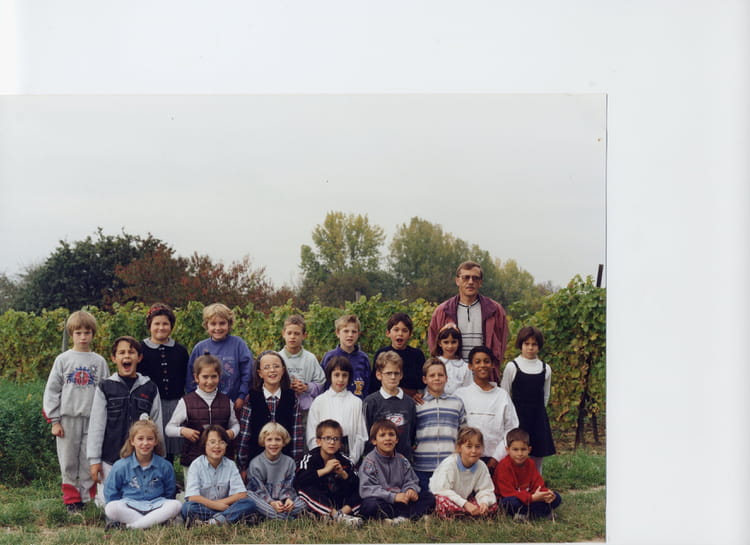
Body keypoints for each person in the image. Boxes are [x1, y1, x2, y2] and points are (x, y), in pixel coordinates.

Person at [42, 310, 109, 512]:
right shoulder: (63, 360)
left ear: (93, 334)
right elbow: (52, 390)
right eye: (78, 333)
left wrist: (105, 418)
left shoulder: (99, 361)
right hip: (67, 418)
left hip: (92, 419)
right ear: (71, 334)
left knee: (89, 457)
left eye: (87, 333)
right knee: (68, 459)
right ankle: (71, 499)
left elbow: (106, 390)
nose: (83, 337)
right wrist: (54, 420)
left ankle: (88, 496)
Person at [88, 336, 162, 506]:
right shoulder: (105, 387)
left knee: (139, 502)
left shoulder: (149, 387)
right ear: (114, 358)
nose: (126, 356)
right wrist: (94, 460)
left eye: (131, 352)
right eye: (121, 353)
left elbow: (157, 423)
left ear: (139, 357)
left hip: (140, 459)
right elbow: (96, 425)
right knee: (107, 505)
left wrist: (159, 457)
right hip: (110, 458)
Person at [428, 261, 509, 381]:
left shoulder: (495, 310)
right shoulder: (443, 311)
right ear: (457, 281)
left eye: (475, 278)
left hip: (484, 377)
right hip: (452, 378)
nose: (470, 282)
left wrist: (493, 368)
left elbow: (501, 343)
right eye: (466, 277)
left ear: (480, 282)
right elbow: (434, 344)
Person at [165, 354, 239, 481]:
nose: (209, 381)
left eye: (213, 376)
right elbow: (169, 428)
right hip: (193, 459)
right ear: (196, 377)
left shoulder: (226, 401)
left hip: (221, 460)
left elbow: (235, 424)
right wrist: (183, 431)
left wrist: (232, 432)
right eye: (205, 377)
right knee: (195, 491)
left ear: (219, 377)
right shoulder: (186, 401)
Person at [102, 418, 181, 529]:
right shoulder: (121, 466)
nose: (145, 443)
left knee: (176, 505)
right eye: (140, 439)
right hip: (130, 507)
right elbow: (111, 492)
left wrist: (162, 508)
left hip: (156, 506)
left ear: (155, 441)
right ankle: (152, 523)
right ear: (132, 441)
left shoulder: (165, 465)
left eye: (150, 439)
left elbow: (170, 492)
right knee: (111, 508)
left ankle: (132, 527)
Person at [236, 350, 304, 473]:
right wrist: (243, 466)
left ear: (283, 370)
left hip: (285, 465)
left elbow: (297, 434)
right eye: (266, 367)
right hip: (256, 463)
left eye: (276, 366)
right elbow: (245, 434)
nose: (272, 370)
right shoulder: (251, 398)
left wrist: (296, 464)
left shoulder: (292, 397)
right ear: (260, 373)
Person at [453, 346, 518, 474]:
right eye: (477, 362)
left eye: (486, 361)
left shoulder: (502, 396)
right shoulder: (460, 395)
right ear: (470, 366)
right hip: (466, 460)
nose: (482, 365)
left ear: (492, 364)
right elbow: (454, 427)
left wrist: (496, 458)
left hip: (495, 461)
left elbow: (511, 428)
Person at [500, 326, 555, 474]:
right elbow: (504, 393)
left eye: (534, 344)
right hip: (518, 417)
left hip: (538, 417)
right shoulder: (512, 366)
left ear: (539, 346)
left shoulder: (545, 368)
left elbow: (546, 395)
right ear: (521, 344)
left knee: (538, 454)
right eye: (527, 344)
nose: (530, 348)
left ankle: (537, 481)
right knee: (517, 453)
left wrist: (539, 413)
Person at [139, 303, 189, 465]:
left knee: (172, 444)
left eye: (165, 324)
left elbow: (186, 377)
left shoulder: (180, 351)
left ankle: (170, 475)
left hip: (175, 403)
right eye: (157, 324)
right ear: (149, 326)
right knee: (153, 441)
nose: (161, 327)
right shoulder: (141, 349)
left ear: (171, 326)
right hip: (151, 404)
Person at [358, 419, 434, 523]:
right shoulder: (369, 462)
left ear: (397, 439)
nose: (388, 438)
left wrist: (410, 490)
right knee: (369, 505)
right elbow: (367, 489)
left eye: (391, 434)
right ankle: (410, 516)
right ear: (374, 441)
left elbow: (411, 480)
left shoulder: (402, 460)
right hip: (383, 501)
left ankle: (402, 518)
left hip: (402, 500)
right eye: (382, 435)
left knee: (428, 497)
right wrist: (393, 497)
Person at [185, 303, 253, 418]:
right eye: (213, 324)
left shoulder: (238, 345)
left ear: (229, 324)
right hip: (206, 405)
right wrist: (194, 400)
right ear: (206, 325)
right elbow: (191, 377)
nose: (217, 328)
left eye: (222, 323)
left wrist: (242, 396)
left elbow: (247, 372)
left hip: (234, 403)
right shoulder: (200, 348)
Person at [181, 425, 257, 527]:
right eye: (212, 442)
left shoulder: (230, 465)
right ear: (204, 444)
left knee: (249, 504)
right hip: (207, 508)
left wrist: (220, 504)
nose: (217, 446)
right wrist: (216, 506)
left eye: (221, 442)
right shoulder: (196, 465)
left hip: (226, 507)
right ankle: (228, 519)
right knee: (188, 508)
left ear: (226, 445)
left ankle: (212, 522)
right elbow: (193, 497)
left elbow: (241, 494)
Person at [294, 419, 362, 526]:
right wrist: (325, 470)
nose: (332, 442)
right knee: (305, 489)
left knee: (361, 492)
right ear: (318, 441)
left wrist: (343, 474)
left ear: (340, 444)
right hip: (320, 500)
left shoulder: (344, 460)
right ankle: (336, 516)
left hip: (339, 501)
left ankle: (340, 516)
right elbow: (299, 480)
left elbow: (357, 484)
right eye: (327, 438)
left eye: (336, 439)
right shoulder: (310, 458)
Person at [413, 359, 465, 492]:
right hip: (423, 466)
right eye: (432, 375)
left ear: (446, 378)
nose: (436, 378)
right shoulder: (417, 404)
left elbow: (464, 433)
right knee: (426, 501)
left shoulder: (456, 403)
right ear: (424, 379)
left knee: (449, 500)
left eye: (440, 375)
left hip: (450, 465)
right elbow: (411, 432)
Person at [305, 356, 368, 465]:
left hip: (349, 454)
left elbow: (361, 436)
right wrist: (321, 460)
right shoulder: (319, 401)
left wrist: (352, 461)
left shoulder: (356, 402)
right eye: (336, 375)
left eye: (344, 375)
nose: (340, 379)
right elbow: (312, 434)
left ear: (349, 377)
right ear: (330, 376)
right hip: (323, 457)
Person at [429, 427, 498, 519]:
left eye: (477, 447)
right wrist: (465, 504)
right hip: (450, 499)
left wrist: (484, 503)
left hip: (466, 500)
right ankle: (467, 516)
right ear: (459, 448)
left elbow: (485, 489)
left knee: (492, 505)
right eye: (469, 447)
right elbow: (441, 490)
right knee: (441, 501)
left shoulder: (481, 466)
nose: (474, 451)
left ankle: (467, 515)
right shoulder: (450, 464)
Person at [493, 428, 561, 520]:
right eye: (515, 450)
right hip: (512, 499)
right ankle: (538, 513)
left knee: (556, 497)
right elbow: (507, 493)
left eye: (523, 449)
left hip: (529, 498)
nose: (520, 453)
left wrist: (545, 494)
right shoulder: (503, 466)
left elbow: (538, 485)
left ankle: (528, 514)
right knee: (509, 503)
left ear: (529, 450)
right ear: (507, 450)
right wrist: (532, 498)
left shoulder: (530, 463)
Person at [362, 351, 417, 461]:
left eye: (396, 373)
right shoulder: (370, 402)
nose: (393, 377)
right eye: (388, 373)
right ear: (379, 375)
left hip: (403, 461)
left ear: (401, 375)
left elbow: (411, 433)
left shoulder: (409, 403)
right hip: (377, 462)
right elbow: (365, 435)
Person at [245, 422, 306, 520]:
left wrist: (287, 499)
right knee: (249, 495)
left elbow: (289, 486)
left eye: (278, 439)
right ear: (263, 441)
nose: (273, 443)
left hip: (282, 502)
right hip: (265, 502)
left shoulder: (289, 462)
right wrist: (272, 502)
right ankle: (286, 517)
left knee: (304, 499)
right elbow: (258, 490)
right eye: (269, 439)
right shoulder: (255, 463)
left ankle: (271, 515)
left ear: (284, 442)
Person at [278, 314, 325, 433]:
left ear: (304, 335)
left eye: (297, 333)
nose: (292, 337)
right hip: (283, 407)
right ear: (283, 333)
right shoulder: (277, 358)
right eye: (289, 333)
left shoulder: (310, 358)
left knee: (304, 438)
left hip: (306, 410)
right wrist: (285, 386)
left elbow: (321, 382)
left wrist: (306, 387)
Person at [369, 312, 426, 401]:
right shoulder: (382, 354)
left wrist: (419, 394)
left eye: (404, 330)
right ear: (388, 333)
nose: (400, 333)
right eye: (396, 330)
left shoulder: (417, 355)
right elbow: (375, 384)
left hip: (411, 401)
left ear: (410, 334)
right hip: (385, 400)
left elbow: (422, 383)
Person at [319, 314, 370, 399]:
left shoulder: (363, 358)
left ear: (358, 334)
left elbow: (367, 387)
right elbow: (323, 385)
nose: (350, 335)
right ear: (338, 333)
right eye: (346, 331)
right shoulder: (329, 357)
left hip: (358, 404)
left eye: (354, 332)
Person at [433, 324, 472, 394]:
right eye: (446, 342)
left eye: (453, 342)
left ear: (458, 343)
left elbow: (468, 389)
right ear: (440, 343)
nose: (450, 346)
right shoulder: (433, 364)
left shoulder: (465, 367)